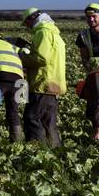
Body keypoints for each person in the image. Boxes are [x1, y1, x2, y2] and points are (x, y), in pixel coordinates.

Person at [20, 8, 67, 147]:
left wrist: (22, 58)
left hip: (43, 83)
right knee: (48, 121)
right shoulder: (54, 32)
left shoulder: (42, 32)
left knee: (32, 118)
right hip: (54, 84)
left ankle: (37, 151)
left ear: (30, 19)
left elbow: (41, 58)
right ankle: (55, 150)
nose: (27, 27)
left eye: (26, 24)